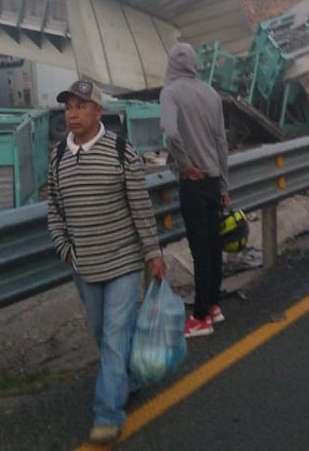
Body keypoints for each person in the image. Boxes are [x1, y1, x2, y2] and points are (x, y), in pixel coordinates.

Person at [46, 78, 166, 445]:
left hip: (123, 262)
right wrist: (66, 249)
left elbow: (140, 207)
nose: (73, 114)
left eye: (81, 106)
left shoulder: (120, 151)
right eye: (69, 107)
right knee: (102, 333)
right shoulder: (58, 157)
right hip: (85, 265)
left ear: (98, 111)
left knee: (114, 337)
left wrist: (153, 253)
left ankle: (107, 415)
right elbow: (54, 209)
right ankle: (132, 378)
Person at [159, 42, 230, 338]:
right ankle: (213, 304)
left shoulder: (170, 92)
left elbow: (171, 132)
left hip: (193, 183)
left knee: (200, 251)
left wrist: (185, 165)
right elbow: (221, 142)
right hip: (213, 181)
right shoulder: (211, 93)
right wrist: (223, 184)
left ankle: (201, 317)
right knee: (213, 247)